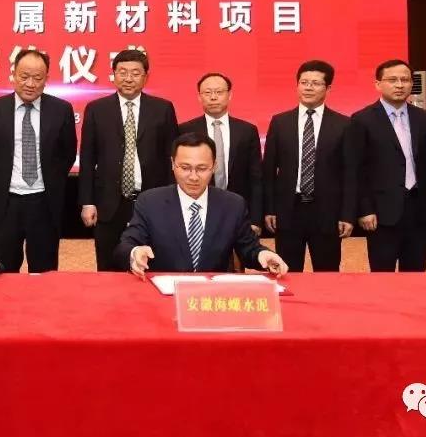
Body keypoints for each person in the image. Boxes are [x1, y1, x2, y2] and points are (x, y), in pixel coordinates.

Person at [116, 132, 288, 277]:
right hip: (164, 292)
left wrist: (264, 255)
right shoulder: (150, 202)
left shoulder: (232, 204)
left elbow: (248, 247)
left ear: (214, 166)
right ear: (173, 164)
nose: (193, 177)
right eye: (185, 168)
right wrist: (135, 252)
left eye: (202, 168)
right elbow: (126, 244)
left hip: (211, 295)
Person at [0, 49, 77, 273]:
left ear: (46, 79)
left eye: (37, 78)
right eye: (24, 76)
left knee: (44, 269)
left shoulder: (61, 110)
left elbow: (67, 154)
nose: (30, 84)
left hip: (44, 202)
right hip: (6, 202)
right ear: (13, 74)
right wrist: (2, 178)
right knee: (3, 268)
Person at [80, 49, 178, 271]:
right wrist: (87, 201)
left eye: (135, 73)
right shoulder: (96, 109)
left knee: (152, 263)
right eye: (122, 72)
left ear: (145, 77)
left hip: (152, 199)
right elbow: (87, 158)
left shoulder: (162, 109)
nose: (128, 78)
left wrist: (171, 199)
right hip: (108, 202)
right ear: (114, 74)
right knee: (108, 266)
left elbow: (172, 158)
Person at [349, 59, 426, 272]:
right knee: (383, 276)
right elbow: (357, 170)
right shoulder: (362, 120)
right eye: (392, 80)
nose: (399, 85)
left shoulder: (424, 119)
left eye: (405, 80)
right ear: (378, 84)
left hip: (418, 209)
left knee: (416, 274)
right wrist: (365, 209)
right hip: (381, 213)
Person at [262, 60, 356, 272]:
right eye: (304, 82)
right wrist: (269, 209)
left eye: (315, 83)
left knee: (327, 272)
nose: (308, 87)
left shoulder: (344, 124)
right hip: (289, 210)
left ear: (328, 88)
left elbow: (350, 173)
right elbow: (268, 171)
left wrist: (347, 214)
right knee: (287, 271)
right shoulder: (280, 122)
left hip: (327, 212)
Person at [178, 72, 264, 235]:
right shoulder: (185, 130)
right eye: (207, 92)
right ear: (199, 97)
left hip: (238, 209)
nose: (213, 97)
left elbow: (256, 178)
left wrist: (255, 219)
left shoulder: (247, 131)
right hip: (196, 208)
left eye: (219, 92)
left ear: (229, 95)